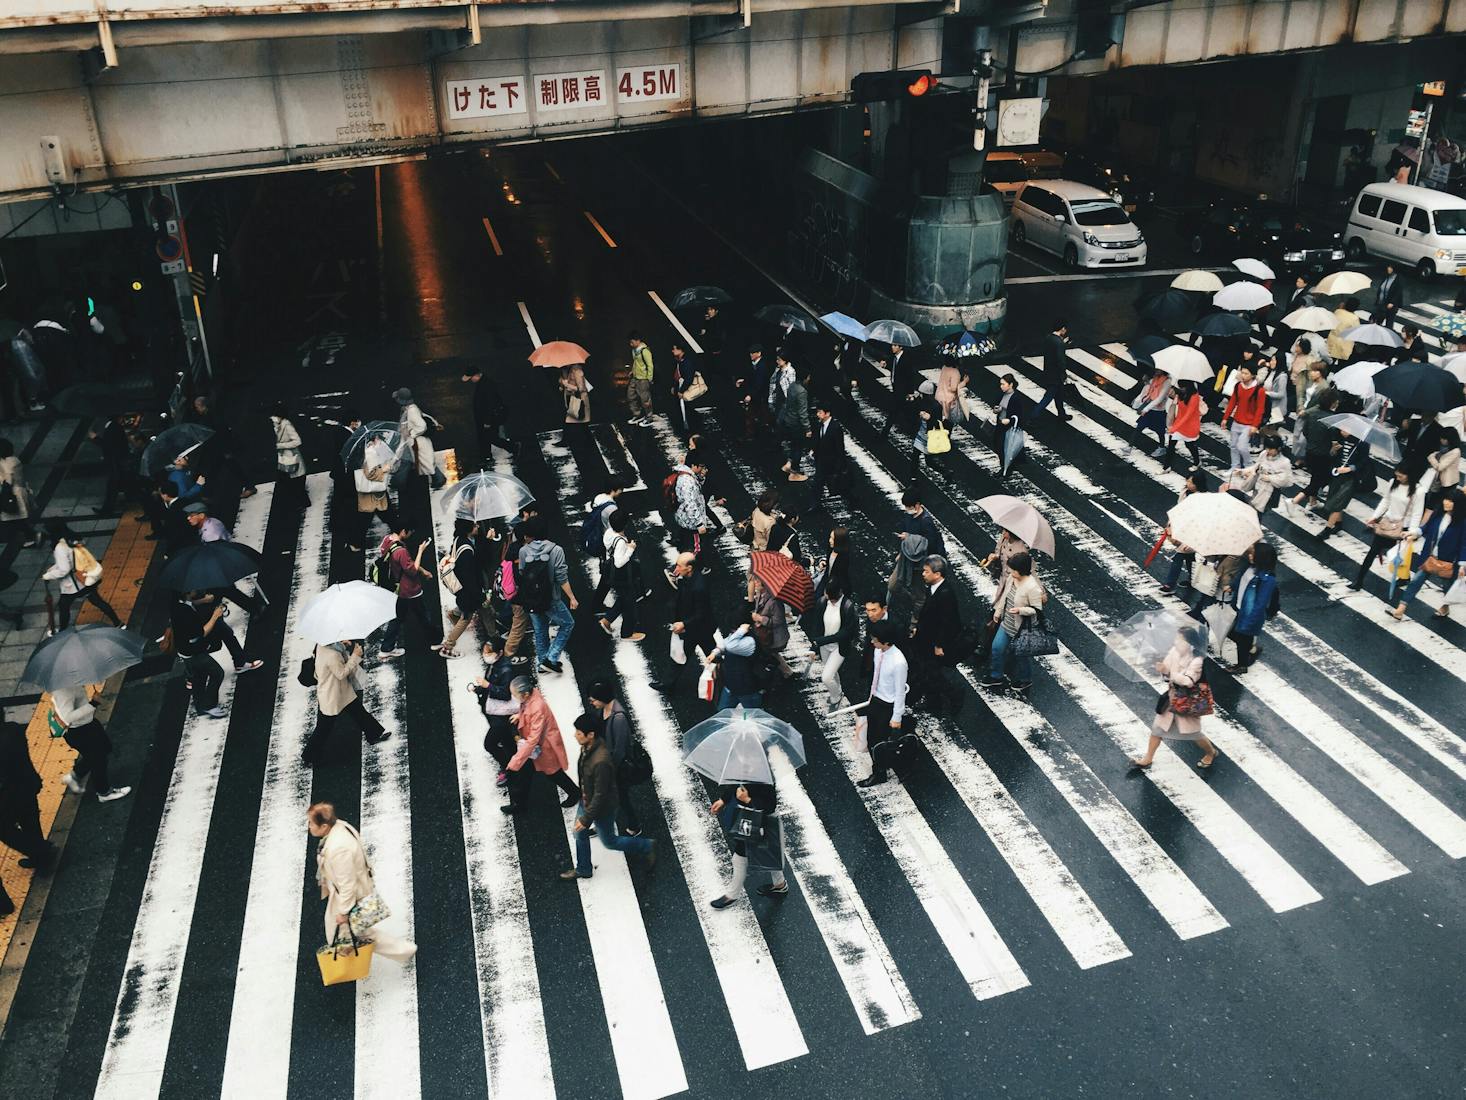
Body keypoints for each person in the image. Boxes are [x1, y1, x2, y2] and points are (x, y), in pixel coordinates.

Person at [309, 802, 416, 962]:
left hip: (349, 896)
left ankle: (403, 951)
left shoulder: (339, 849)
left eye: (311, 823)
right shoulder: (340, 826)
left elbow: (347, 884)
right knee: (346, 931)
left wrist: (344, 912)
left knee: (354, 932)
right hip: (347, 890)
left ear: (324, 826)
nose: (308, 826)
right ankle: (347, 956)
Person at [559, 712, 657, 880]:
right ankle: (584, 868)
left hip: (601, 808)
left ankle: (646, 846)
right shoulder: (589, 747)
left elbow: (601, 794)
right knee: (579, 833)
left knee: (610, 841)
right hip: (587, 800)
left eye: (579, 733)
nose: (575, 735)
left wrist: (586, 818)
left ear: (590, 735)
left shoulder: (601, 761)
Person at [1128, 625, 1219, 770]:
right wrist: (1163, 670)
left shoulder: (1197, 660)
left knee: (1194, 734)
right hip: (1171, 699)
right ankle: (1148, 758)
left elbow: (1188, 681)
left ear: (1189, 643)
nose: (1176, 642)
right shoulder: (1174, 652)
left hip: (1187, 702)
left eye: (1179, 639)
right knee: (1157, 729)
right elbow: (1167, 670)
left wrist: (1171, 673)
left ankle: (1211, 752)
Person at [304, 640, 391, 765]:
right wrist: (355, 655)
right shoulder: (331, 655)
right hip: (333, 696)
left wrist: (341, 645)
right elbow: (341, 673)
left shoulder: (321, 646)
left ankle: (374, 734)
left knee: (359, 713)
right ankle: (309, 756)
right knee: (324, 728)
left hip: (339, 692)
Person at [504, 677, 579, 815]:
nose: (513, 697)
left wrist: (514, 762)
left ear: (525, 694)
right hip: (537, 746)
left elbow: (533, 739)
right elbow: (525, 708)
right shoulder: (531, 696)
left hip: (543, 747)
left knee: (552, 772)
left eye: (514, 695)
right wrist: (519, 715)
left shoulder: (538, 707)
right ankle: (520, 804)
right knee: (530, 774)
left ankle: (574, 792)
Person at [707, 779, 786, 908]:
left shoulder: (764, 778)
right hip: (749, 817)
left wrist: (747, 800)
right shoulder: (747, 766)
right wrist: (723, 800)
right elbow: (736, 783)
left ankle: (732, 895)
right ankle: (780, 885)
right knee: (769, 855)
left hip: (760, 821)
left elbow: (770, 805)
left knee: (739, 858)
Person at [585, 682, 649, 837]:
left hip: (616, 767)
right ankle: (603, 823)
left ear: (603, 698)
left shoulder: (619, 718)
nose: (592, 703)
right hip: (606, 760)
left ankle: (634, 825)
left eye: (594, 700)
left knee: (620, 797)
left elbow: (620, 749)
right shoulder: (605, 709)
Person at [171, 589, 262, 697]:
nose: (197, 590)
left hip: (192, 638)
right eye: (194, 590)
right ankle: (195, 684)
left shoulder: (181, 602)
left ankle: (240, 661)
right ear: (187, 593)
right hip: (193, 645)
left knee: (226, 632)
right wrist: (215, 616)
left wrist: (203, 601)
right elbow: (201, 633)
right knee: (213, 669)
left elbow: (190, 603)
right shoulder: (184, 612)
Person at [1392, 489, 1465, 621]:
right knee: (1416, 581)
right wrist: (1413, 533)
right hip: (1429, 557)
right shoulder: (1438, 514)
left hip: (1448, 561)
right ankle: (1401, 608)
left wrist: (1462, 564)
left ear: (1458, 504)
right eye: (1446, 499)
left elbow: (1464, 545)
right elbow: (1426, 528)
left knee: (1447, 586)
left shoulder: (1462, 522)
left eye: (1451, 501)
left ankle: (1445, 606)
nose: (1446, 503)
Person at [516, 515, 577, 673]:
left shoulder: (523, 551)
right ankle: (551, 658)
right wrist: (572, 597)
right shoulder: (556, 550)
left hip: (532, 598)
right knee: (568, 624)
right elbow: (561, 578)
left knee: (540, 630)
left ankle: (542, 663)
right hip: (552, 598)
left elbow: (522, 572)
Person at [51, 684, 131, 802]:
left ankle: (75, 775)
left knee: (105, 748)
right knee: (99, 760)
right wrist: (93, 703)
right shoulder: (64, 691)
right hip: (80, 732)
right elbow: (68, 717)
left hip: (89, 724)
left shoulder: (71, 682)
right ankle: (104, 792)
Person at [980, 550, 1045, 695]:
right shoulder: (1012, 578)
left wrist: (1021, 610)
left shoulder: (1032, 587)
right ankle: (996, 676)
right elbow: (1005, 596)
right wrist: (997, 612)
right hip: (1006, 622)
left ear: (1021, 570)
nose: (1010, 572)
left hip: (1022, 628)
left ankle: (1025, 679)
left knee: (1021, 655)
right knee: (997, 648)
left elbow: (1036, 610)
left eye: (1013, 570)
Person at [1349, 465, 1423, 590]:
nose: (1398, 478)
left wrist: (1412, 532)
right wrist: (1375, 516)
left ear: (1410, 475)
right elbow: (1386, 501)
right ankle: (1359, 581)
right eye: (1397, 475)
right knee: (1372, 552)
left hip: (1403, 529)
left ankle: (1404, 577)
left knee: (1400, 556)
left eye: (1401, 476)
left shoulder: (1419, 491)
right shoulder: (1393, 482)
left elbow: (1417, 513)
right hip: (1387, 524)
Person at [651, 551, 714, 693]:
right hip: (694, 627)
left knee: (711, 655)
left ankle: (668, 684)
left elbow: (701, 614)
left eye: (679, 566)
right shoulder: (688, 578)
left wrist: (684, 624)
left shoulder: (699, 587)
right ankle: (668, 684)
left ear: (689, 568)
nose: (676, 569)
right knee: (684, 654)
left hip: (699, 628)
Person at [0, 722, 56, 881]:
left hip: (8, 796)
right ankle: (40, 857)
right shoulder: (13, 729)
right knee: (30, 820)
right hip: (28, 784)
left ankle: (41, 852)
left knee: (4, 829)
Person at [856, 619, 909, 788]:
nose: (872, 642)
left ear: (886, 642)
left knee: (877, 741)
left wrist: (896, 717)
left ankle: (880, 772)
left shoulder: (899, 662)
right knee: (871, 738)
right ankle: (881, 769)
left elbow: (900, 692)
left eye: (875, 640)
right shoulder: (879, 652)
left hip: (888, 705)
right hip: (875, 699)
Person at [376, 523, 440, 658]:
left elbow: (407, 564)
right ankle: (435, 641)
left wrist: (424, 571)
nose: (411, 535)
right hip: (409, 589)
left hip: (398, 588)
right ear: (404, 531)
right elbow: (412, 570)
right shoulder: (401, 551)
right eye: (410, 532)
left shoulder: (388, 540)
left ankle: (386, 647)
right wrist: (421, 550)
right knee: (423, 616)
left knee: (397, 617)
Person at [42, 525, 122, 631]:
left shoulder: (60, 548)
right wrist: (51, 570)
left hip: (73, 585)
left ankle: (62, 631)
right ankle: (118, 623)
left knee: (64, 607)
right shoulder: (71, 539)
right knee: (98, 601)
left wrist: (48, 575)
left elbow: (64, 569)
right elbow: (69, 561)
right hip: (85, 578)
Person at [472, 637, 521, 785]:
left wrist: (487, 686)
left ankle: (509, 769)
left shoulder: (506, 670)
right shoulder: (496, 665)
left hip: (500, 716)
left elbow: (505, 694)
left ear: (499, 653)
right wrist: (479, 689)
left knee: (490, 744)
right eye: (484, 651)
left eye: (489, 652)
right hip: (494, 712)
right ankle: (516, 764)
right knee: (507, 742)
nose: (485, 654)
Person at [1226, 542, 1280, 672]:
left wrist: (1250, 621)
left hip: (1250, 615)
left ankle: (1242, 665)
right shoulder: (1249, 567)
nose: (1250, 556)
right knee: (1235, 635)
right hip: (1240, 608)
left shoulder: (1267, 579)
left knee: (1240, 637)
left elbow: (1260, 603)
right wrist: (1232, 586)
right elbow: (1240, 579)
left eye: (1253, 554)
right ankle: (1251, 650)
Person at [440, 518, 489, 658]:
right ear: (468, 529)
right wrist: (481, 597)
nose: (477, 526)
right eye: (474, 525)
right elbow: (470, 580)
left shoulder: (458, 540)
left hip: (461, 588)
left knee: (474, 610)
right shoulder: (467, 552)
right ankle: (447, 647)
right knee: (466, 618)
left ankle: (454, 613)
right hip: (466, 591)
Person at [594, 509, 646, 641]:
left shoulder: (608, 533)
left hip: (611, 572)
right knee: (629, 603)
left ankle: (607, 620)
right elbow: (619, 562)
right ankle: (627, 633)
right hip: (621, 575)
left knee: (625, 598)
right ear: (625, 524)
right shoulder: (621, 541)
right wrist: (630, 549)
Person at [806, 581, 857, 710]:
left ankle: (836, 697)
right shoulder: (822, 602)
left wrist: (821, 641)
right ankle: (838, 690)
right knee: (832, 673)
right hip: (824, 646)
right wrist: (815, 646)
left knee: (826, 677)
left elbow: (845, 634)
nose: (830, 600)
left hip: (839, 647)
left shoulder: (848, 607)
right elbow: (817, 625)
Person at [1290, 389, 1341, 511]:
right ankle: (1294, 500)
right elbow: (1334, 442)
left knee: (1315, 477)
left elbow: (1305, 431)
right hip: (1324, 455)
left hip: (1310, 452)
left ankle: (1312, 502)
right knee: (1320, 481)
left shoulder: (1313, 414)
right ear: (1332, 403)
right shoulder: (1332, 419)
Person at [1159, 468, 1208, 593]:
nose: (1187, 483)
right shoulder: (1185, 492)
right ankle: (1193, 580)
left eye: (1191, 482)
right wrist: (1170, 524)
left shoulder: (1202, 499)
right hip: (1183, 528)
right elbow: (1179, 509)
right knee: (1189, 556)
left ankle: (1170, 585)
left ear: (1198, 484)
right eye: (1187, 480)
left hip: (1193, 531)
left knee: (1179, 556)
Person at [461, 366, 518, 463]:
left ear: (476, 375)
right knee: (484, 437)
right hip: (485, 417)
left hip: (488, 418)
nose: (471, 380)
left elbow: (490, 405)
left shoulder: (486, 385)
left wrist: (487, 421)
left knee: (490, 437)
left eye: (471, 378)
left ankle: (513, 447)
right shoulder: (483, 382)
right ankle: (486, 455)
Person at [706, 624, 764, 709]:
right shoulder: (735, 637)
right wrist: (715, 652)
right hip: (731, 685)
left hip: (746, 688)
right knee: (723, 713)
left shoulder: (749, 642)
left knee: (752, 714)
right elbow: (726, 643)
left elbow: (730, 645)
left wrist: (741, 630)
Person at [1221, 365, 1266, 473]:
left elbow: (1260, 409)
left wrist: (1255, 425)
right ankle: (1235, 466)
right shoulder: (1238, 386)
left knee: (1241, 446)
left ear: (1253, 375)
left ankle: (1248, 466)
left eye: (1246, 373)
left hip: (1249, 424)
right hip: (1237, 421)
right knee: (1233, 445)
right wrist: (1225, 418)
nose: (1243, 375)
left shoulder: (1259, 390)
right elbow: (1232, 402)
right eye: (1242, 372)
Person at [0, 437, 42, 548]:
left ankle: (31, 537)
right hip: (20, 491)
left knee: (12, 518)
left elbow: (7, 478)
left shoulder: (5, 462)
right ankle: (31, 536)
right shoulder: (15, 460)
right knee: (17, 519)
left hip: (11, 494)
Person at [1233, 436, 1293, 513]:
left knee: (1259, 512)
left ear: (1278, 448)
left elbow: (1287, 480)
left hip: (1270, 493)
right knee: (1252, 510)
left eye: (1271, 449)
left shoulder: (1285, 462)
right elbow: (1256, 467)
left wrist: (1270, 478)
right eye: (1267, 448)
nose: (1268, 450)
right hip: (1258, 488)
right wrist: (1242, 471)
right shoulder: (1264, 454)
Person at [751, 577, 793, 681]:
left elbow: (778, 621)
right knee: (770, 653)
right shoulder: (760, 595)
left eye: (757, 581)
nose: (754, 583)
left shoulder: (775, 602)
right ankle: (786, 671)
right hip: (767, 633)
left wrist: (760, 619)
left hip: (775, 637)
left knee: (767, 651)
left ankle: (785, 672)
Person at [269, 402, 307, 508]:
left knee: (295, 477)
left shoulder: (287, 425)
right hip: (282, 457)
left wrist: (280, 446)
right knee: (287, 478)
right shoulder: (275, 424)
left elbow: (298, 441)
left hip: (290, 455)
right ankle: (295, 500)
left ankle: (302, 501)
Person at [1034, 320, 1073, 421]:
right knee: (1047, 398)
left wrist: (1062, 343)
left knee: (1059, 395)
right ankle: (1033, 417)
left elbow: (1052, 350)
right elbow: (1061, 361)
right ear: (1062, 329)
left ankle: (1062, 414)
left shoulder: (1048, 338)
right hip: (1056, 376)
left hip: (1048, 372)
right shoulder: (1059, 343)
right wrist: (1064, 374)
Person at [909, 379, 948, 479]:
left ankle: (946, 472)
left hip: (929, 436)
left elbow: (938, 423)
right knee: (915, 456)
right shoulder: (921, 401)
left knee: (928, 461)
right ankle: (913, 478)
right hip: (922, 433)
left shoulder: (936, 406)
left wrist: (929, 418)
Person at [810, 401, 848, 503]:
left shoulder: (835, 428)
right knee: (817, 483)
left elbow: (840, 448)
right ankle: (815, 504)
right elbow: (817, 439)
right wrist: (814, 449)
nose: (818, 414)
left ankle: (851, 499)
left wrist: (840, 465)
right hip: (821, 461)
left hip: (832, 462)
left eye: (820, 412)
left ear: (827, 413)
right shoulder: (818, 425)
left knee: (838, 484)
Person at [1164, 382, 1205, 471]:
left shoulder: (1195, 397)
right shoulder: (1180, 394)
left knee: (1189, 445)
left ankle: (1197, 461)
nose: (1181, 389)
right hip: (1179, 424)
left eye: (1183, 387)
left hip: (1190, 426)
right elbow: (1179, 412)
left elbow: (1187, 415)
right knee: (1171, 445)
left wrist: (1174, 427)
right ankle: (1166, 467)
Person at [993, 374, 1028, 477]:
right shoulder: (1002, 394)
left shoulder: (1016, 398)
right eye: (1001, 384)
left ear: (1011, 384)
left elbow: (1019, 416)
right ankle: (1007, 466)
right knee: (998, 446)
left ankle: (1006, 468)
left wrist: (1009, 420)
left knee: (1003, 448)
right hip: (1000, 424)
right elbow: (998, 405)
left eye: (1003, 384)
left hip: (1008, 427)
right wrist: (997, 410)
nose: (1001, 386)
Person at [737, 344, 774, 439]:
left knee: (756, 415)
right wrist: (743, 381)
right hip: (756, 395)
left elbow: (759, 383)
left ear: (759, 353)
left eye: (753, 353)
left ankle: (757, 435)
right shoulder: (754, 364)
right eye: (750, 353)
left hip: (760, 396)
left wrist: (750, 395)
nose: (751, 355)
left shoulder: (762, 366)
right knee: (752, 415)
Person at [1131, 370, 1170, 456]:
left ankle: (1162, 447)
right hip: (1149, 410)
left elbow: (1159, 398)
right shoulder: (1155, 379)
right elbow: (1149, 390)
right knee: (1139, 427)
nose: (1155, 371)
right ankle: (1129, 446)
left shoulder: (1167, 382)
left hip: (1158, 412)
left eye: (1158, 370)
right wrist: (1147, 381)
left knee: (1160, 432)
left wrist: (1145, 409)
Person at [1425, 427, 1461, 513]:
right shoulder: (1445, 448)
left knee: (1441, 505)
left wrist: (1431, 457)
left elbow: (1440, 467)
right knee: (1432, 502)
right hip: (1439, 480)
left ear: (1450, 439)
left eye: (1443, 438)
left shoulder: (1455, 451)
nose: (1441, 440)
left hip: (1448, 482)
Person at [669, 341, 699, 437]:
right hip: (680, 388)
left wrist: (681, 391)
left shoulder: (686, 362)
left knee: (687, 409)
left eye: (674, 349)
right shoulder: (679, 360)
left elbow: (689, 378)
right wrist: (675, 387)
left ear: (680, 350)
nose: (672, 351)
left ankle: (690, 430)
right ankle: (687, 428)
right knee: (681, 409)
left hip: (685, 390)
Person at [626, 331, 655, 426]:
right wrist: (632, 371)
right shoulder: (634, 350)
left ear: (638, 341)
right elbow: (636, 362)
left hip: (643, 378)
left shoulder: (644, 351)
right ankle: (637, 414)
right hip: (635, 377)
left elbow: (650, 365)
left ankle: (649, 417)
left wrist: (649, 378)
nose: (631, 344)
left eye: (632, 342)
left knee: (645, 399)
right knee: (631, 396)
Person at [1327, 297, 1361, 362]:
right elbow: (1356, 332)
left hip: (1331, 341)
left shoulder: (1338, 312)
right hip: (1344, 345)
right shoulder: (1355, 318)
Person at [1376, 262, 1403, 330]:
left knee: (1389, 323)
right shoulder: (1386, 276)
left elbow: (1398, 292)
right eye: (1388, 267)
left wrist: (1392, 302)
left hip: (1390, 306)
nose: (1388, 269)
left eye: (1390, 267)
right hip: (1381, 303)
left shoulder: (1398, 279)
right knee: (1377, 321)